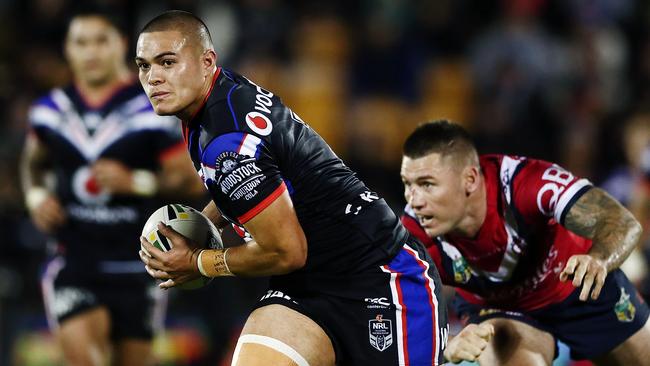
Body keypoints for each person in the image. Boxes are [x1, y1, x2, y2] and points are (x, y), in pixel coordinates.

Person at [135, 10, 447, 366]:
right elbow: (255, 182)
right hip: (306, 286)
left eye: (167, 62)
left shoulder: (226, 138)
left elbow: (286, 251)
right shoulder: (219, 98)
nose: (153, 78)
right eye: (144, 66)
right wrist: (204, 225)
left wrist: (198, 261)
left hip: (380, 280)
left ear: (207, 61)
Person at [21, 9, 204, 366]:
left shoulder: (151, 108)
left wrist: (135, 181)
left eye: (100, 41)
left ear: (122, 45)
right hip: (74, 262)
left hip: (139, 266)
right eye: (80, 43)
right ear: (68, 49)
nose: (91, 52)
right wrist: (36, 194)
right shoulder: (49, 110)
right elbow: (33, 162)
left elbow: (190, 181)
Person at [400, 120, 650, 365]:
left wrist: (599, 260)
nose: (414, 201)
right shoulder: (411, 236)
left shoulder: (527, 183)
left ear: (470, 179)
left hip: (578, 286)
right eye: (407, 184)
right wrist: (445, 342)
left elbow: (621, 222)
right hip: (499, 308)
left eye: (426, 184)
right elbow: (384, 315)